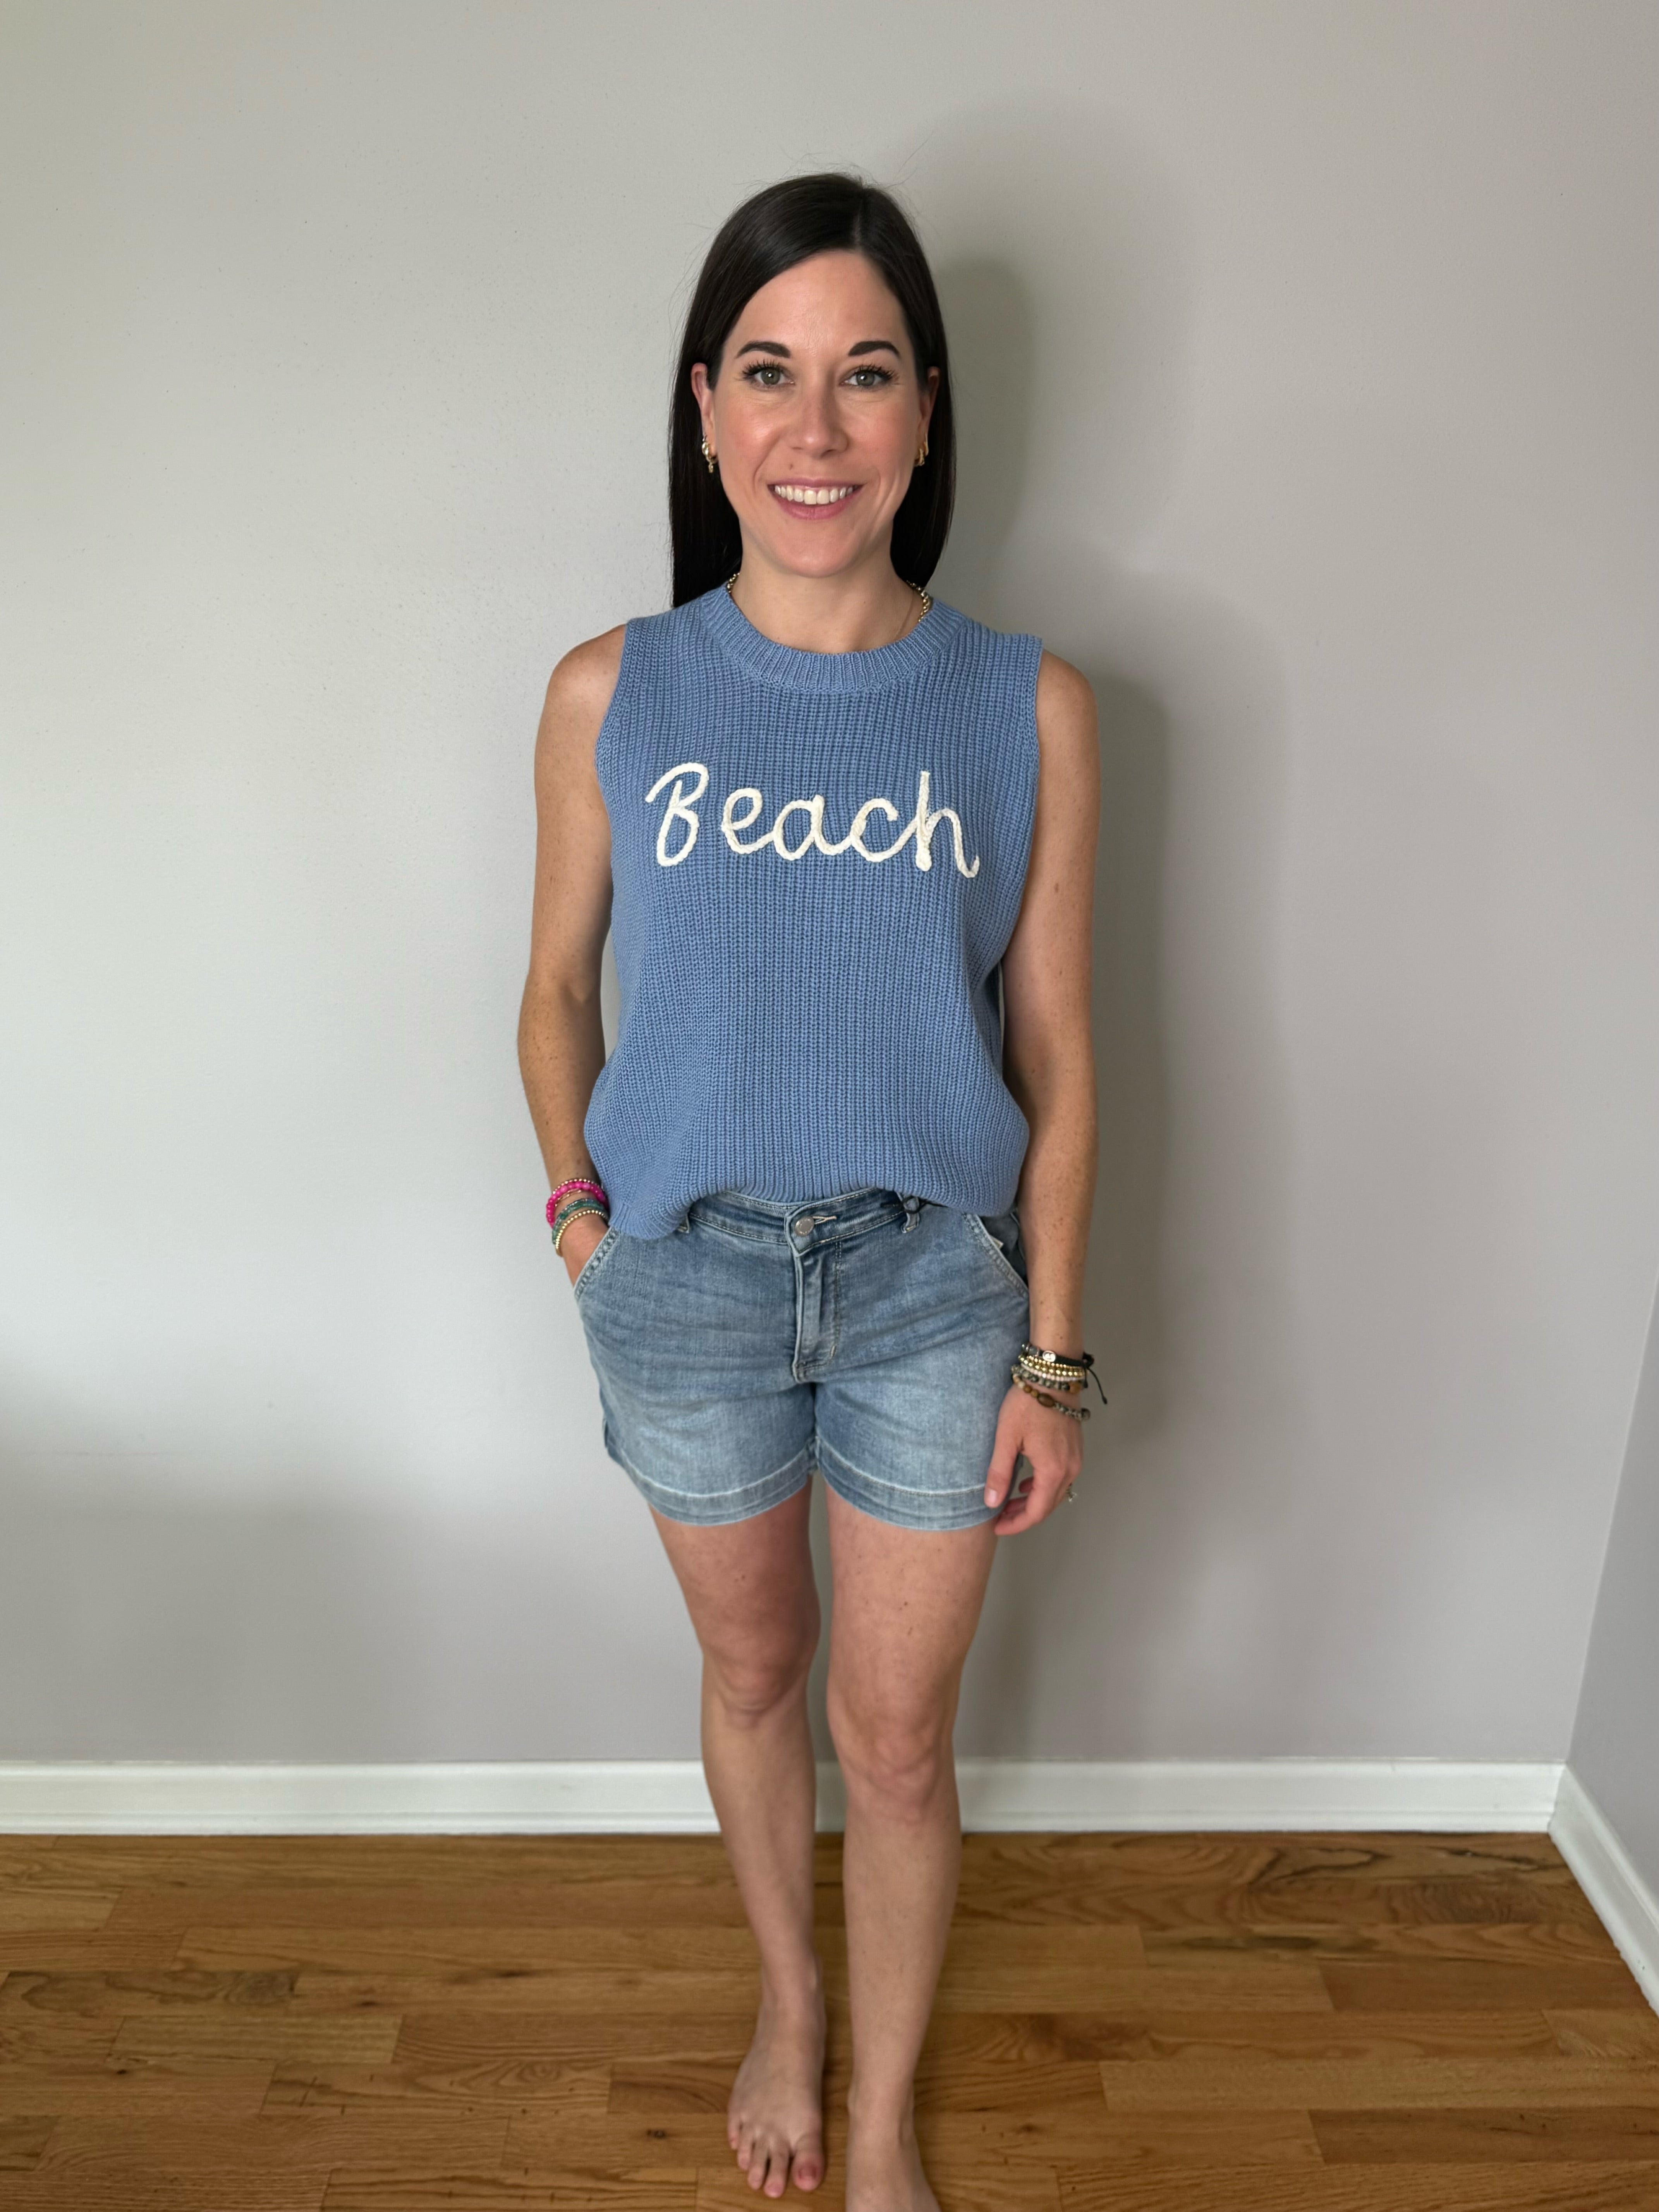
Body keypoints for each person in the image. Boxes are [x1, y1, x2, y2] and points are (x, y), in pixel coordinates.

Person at [518, 172, 1099, 2212]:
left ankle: (876, 2124)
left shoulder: (1025, 706)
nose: (816, 425)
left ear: (926, 415)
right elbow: (553, 996)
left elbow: (1062, 1057)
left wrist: (1054, 1358)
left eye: (867, 374)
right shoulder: (614, 692)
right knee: (757, 1679)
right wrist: (587, 1236)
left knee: (901, 1739)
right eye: (769, 372)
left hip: (936, 1291)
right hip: (681, 1290)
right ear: (705, 411)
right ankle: (790, 2002)